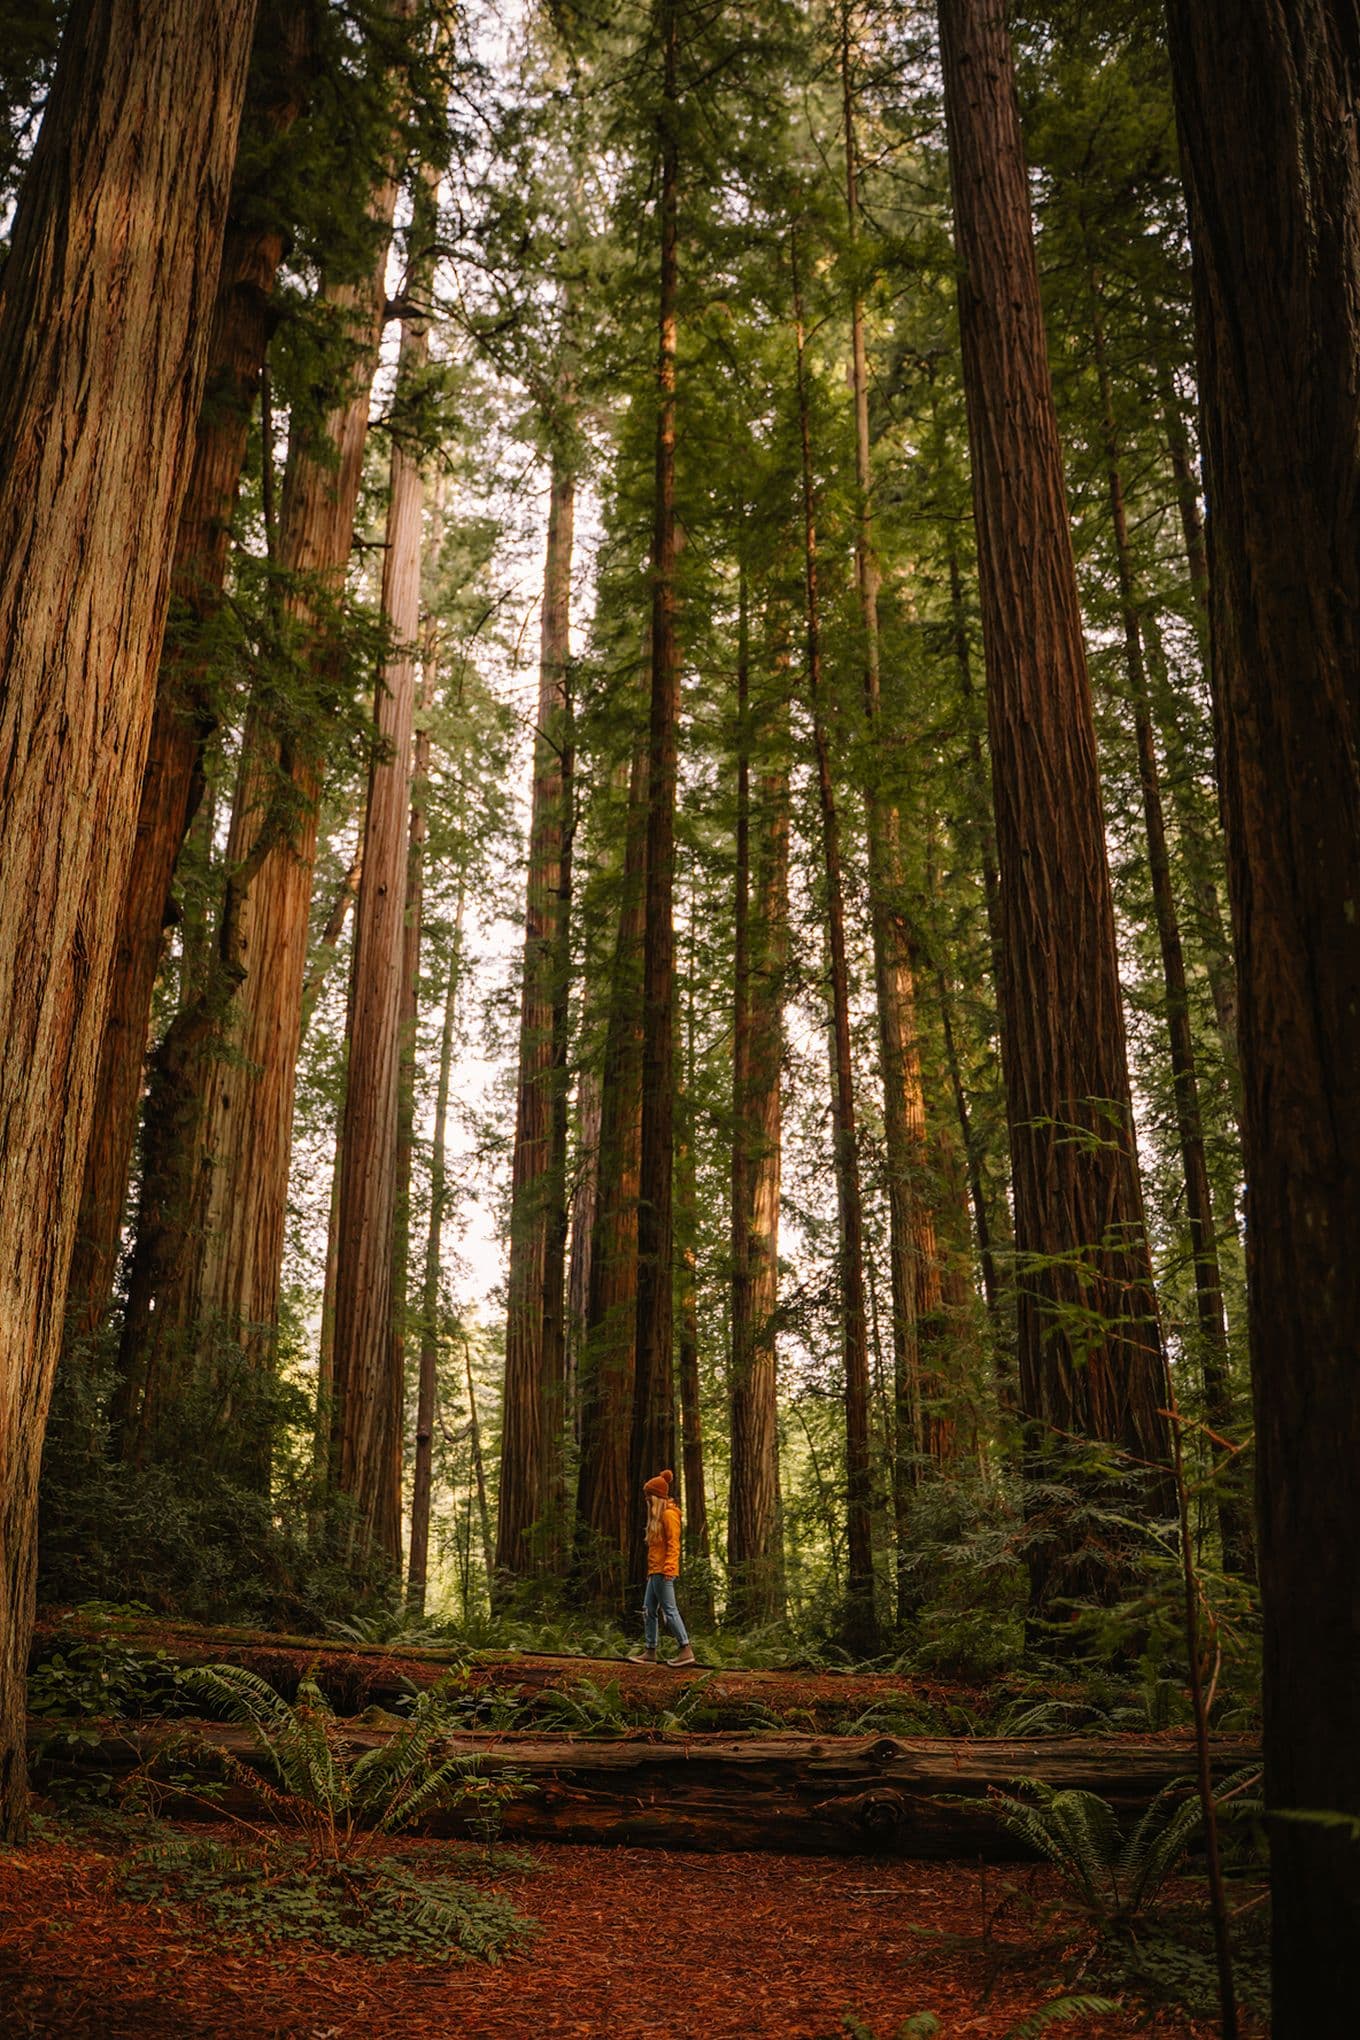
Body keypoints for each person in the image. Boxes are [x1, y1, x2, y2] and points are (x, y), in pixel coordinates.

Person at [629, 1469, 696, 1667]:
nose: (646, 1499)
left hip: (664, 1572)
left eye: (649, 1495)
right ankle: (650, 1651)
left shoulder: (669, 1515)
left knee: (669, 1611)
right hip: (655, 1572)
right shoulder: (657, 1518)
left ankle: (686, 1649)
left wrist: (668, 1568)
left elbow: (674, 1544)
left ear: (657, 1496)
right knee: (649, 1609)